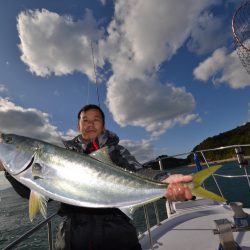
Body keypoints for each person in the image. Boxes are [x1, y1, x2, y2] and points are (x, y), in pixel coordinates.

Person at [0, 104, 193, 250]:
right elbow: (37, 191)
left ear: (103, 125)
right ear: (78, 125)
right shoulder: (62, 152)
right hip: (74, 236)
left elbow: (140, 171)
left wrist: (163, 179)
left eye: (96, 119)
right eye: (85, 120)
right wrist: (8, 170)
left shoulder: (116, 152)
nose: (90, 124)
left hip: (117, 233)